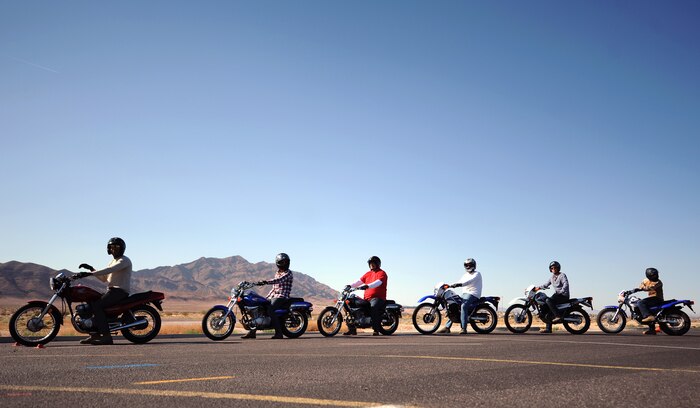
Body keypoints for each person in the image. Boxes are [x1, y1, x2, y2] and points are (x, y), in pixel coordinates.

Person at [78, 237, 132, 345]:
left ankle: (106, 337)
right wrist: (91, 269)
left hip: (119, 291)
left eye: (117, 247)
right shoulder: (113, 261)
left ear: (122, 248)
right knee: (91, 302)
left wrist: (89, 274)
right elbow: (104, 278)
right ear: (108, 249)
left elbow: (110, 270)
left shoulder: (124, 260)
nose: (114, 249)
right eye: (112, 247)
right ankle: (95, 335)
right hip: (111, 291)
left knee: (97, 306)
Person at [241, 253, 293, 340]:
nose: (285, 263)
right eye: (283, 262)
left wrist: (265, 282)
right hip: (274, 296)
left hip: (282, 296)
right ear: (278, 263)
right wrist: (266, 298)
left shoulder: (288, 273)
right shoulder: (278, 273)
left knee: (271, 309)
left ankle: (279, 333)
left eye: (286, 261)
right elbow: (274, 288)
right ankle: (252, 332)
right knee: (259, 307)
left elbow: (278, 281)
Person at [343, 256, 388, 336]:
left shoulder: (382, 273)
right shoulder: (368, 274)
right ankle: (352, 329)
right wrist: (350, 285)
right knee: (351, 304)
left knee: (373, 307)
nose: (372, 265)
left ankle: (376, 329)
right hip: (367, 298)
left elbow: (378, 282)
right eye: (370, 264)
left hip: (378, 298)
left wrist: (368, 286)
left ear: (377, 264)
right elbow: (359, 281)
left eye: (373, 263)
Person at [438, 258, 482, 335]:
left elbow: (468, 282)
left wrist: (459, 285)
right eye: (466, 265)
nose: (468, 266)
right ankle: (447, 327)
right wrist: (450, 285)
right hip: (465, 294)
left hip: (473, 294)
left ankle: (463, 328)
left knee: (463, 306)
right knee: (454, 305)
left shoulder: (477, 274)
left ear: (473, 265)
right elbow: (460, 281)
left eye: (470, 265)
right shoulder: (465, 275)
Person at [535, 260, 569, 334]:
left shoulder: (562, 275)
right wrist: (537, 288)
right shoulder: (552, 277)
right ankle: (548, 329)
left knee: (548, 300)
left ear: (558, 268)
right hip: (557, 295)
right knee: (546, 305)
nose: (553, 269)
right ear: (550, 269)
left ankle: (558, 316)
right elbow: (546, 284)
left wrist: (561, 291)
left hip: (563, 295)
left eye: (555, 268)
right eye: (552, 268)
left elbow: (565, 284)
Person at [636, 267, 664, 335]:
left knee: (640, 302)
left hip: (657, 299)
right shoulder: (646, 280)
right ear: (648, 276)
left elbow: (651, 288)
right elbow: (641, 284)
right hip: (651, 299)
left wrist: (643, 288)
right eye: (654, 275)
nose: (656, 276)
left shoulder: (658, 282)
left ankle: (649, 316)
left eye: (656, 274)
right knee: (642, 307)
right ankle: (652, 330)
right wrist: (638, 288)